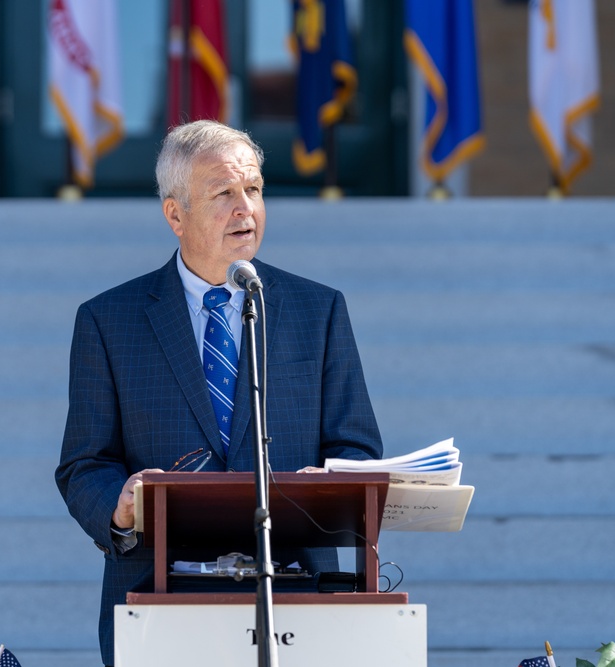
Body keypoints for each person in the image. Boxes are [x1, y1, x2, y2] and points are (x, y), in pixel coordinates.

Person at [54, 120, 382, 666]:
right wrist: (119, 506)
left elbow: (358, 449)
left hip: (297, 592)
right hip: (157, 596)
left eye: (252, 189)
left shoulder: (317, 311)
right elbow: (85, 463)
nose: (245, 208)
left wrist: (324, 487)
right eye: (223, 193)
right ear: (175, 215)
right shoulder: (109, 321)